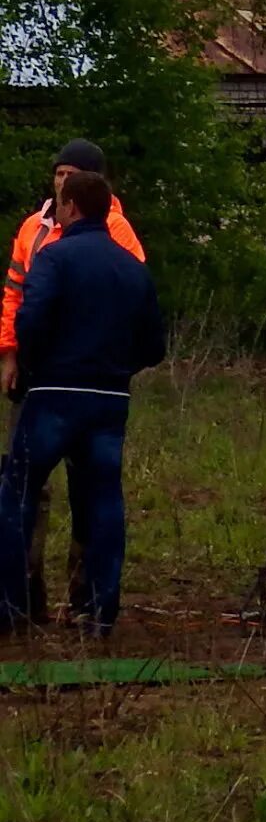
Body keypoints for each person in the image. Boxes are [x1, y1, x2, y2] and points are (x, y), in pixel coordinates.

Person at [0, 163, 165, 634]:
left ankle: (10, 609)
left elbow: (30, 318)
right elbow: (154, 345)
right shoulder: (132, 268)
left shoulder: (54, 258)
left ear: (69, 207)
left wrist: (36, 364)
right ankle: (99, 611)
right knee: (103, 500)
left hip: (54, 392)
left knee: (17, 495)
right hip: (110, 399)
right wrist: (116, 368)